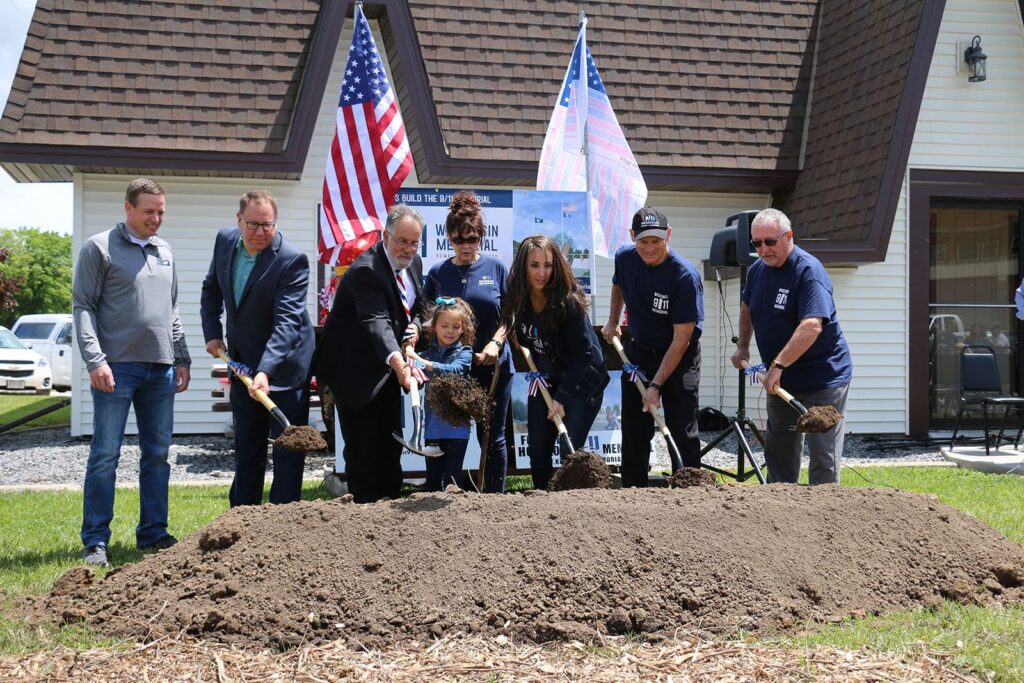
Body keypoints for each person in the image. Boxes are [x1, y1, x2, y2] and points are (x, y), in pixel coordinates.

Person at [72, 178, 191, 567]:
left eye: (161, 212)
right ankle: (95, 541)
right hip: (116, 368)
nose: (156, 219)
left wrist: (182, 357)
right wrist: (95, 360)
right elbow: (83, 307)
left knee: (157, 455)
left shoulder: (165, 251)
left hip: (160, 369)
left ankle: (153, 533)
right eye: (148, 211)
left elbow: (171, 311)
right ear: (128, 208)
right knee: (105, 454)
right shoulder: (99, 247)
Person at [200, 190, 315, 507]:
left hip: (286, 366)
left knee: (287, 449)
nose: (262, 232)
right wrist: (212, 332)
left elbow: (287, 323)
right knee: (247, 445)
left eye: (269, 225)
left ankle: (280, 526)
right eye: (254, 225)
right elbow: (211, 289)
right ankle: (241, 521)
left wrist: (266, 371)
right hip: (242, 364)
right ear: (238, 220)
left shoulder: (291, 259)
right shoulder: (225, 241)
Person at [730, 208, 853, 485]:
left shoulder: (808, 271)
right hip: (782, 378)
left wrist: (778, 364)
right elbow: (747, 307)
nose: (763, 249)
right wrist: (744, 347)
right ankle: (781, 517)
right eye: (756, 243)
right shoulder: (758, 271)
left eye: (770, 242)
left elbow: (812, 325)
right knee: (780, 449)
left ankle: (825, 516)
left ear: (788, 237)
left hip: (824, 378)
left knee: (823, 455)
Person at [316, 205, 424, 503]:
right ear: (385, 235)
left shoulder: (414, 265)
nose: (408, 248)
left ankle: (389, 516)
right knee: (363, 452)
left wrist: (415, 327)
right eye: (402, 241)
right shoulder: (367, 269)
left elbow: (417, 308)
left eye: (414, 242)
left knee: (389, 450)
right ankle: (364, 522)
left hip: (386, 372)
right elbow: (376, 322)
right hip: (355, 374)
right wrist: (399, 361)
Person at [602, 206, 704, 487]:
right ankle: (634, 494)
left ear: (668, 235)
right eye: (643, 241)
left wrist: (656, 386)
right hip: (638, 355)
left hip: (679, 358)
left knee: (681, 430)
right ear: (633, 236)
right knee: (634, 432)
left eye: (656, 241)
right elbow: (618, 284)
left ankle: (690, 492)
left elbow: (681, 339)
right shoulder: (624, 258)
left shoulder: (684, 277)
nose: (649, 248)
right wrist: (613, 320)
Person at [502, 235, 609, 490]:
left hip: (583, 383)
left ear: (556, 265)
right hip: (547, 378)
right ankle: (541, 504)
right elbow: (528, 335)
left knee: (567, 452)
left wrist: (561, 397)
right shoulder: (520, 300)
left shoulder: (568, 303)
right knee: (538, 449)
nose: (541, 273)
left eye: (547, 265)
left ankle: (569, 507)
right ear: (523, 267)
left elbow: (584, 356)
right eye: (534, 265)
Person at [421, 192, 513, 492]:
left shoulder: (496, 269)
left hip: (492, 368)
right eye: (460, 240)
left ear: (481, 238)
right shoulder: (437, 273)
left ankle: (494, 498)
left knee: (491, 435)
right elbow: (426, 319)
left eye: (472, 239)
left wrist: (495, 344)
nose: (466, 246)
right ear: (449, 237)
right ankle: (445, 494)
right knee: (448, 433)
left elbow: (510, 315)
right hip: (452, 372)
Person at [407, 297, 476, 491]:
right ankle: (432, 518)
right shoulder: (427, 354)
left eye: (456, 326)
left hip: (457, 428)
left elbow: (454, 371)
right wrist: (413, 366)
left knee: (453, 480)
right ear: (434, 327)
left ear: (463, 329)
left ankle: (455, 516)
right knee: (433, 481)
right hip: (432, 428)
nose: (450, 331)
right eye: (444, 325)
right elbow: (416, 379)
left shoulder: (465, 352)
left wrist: (422, 363)